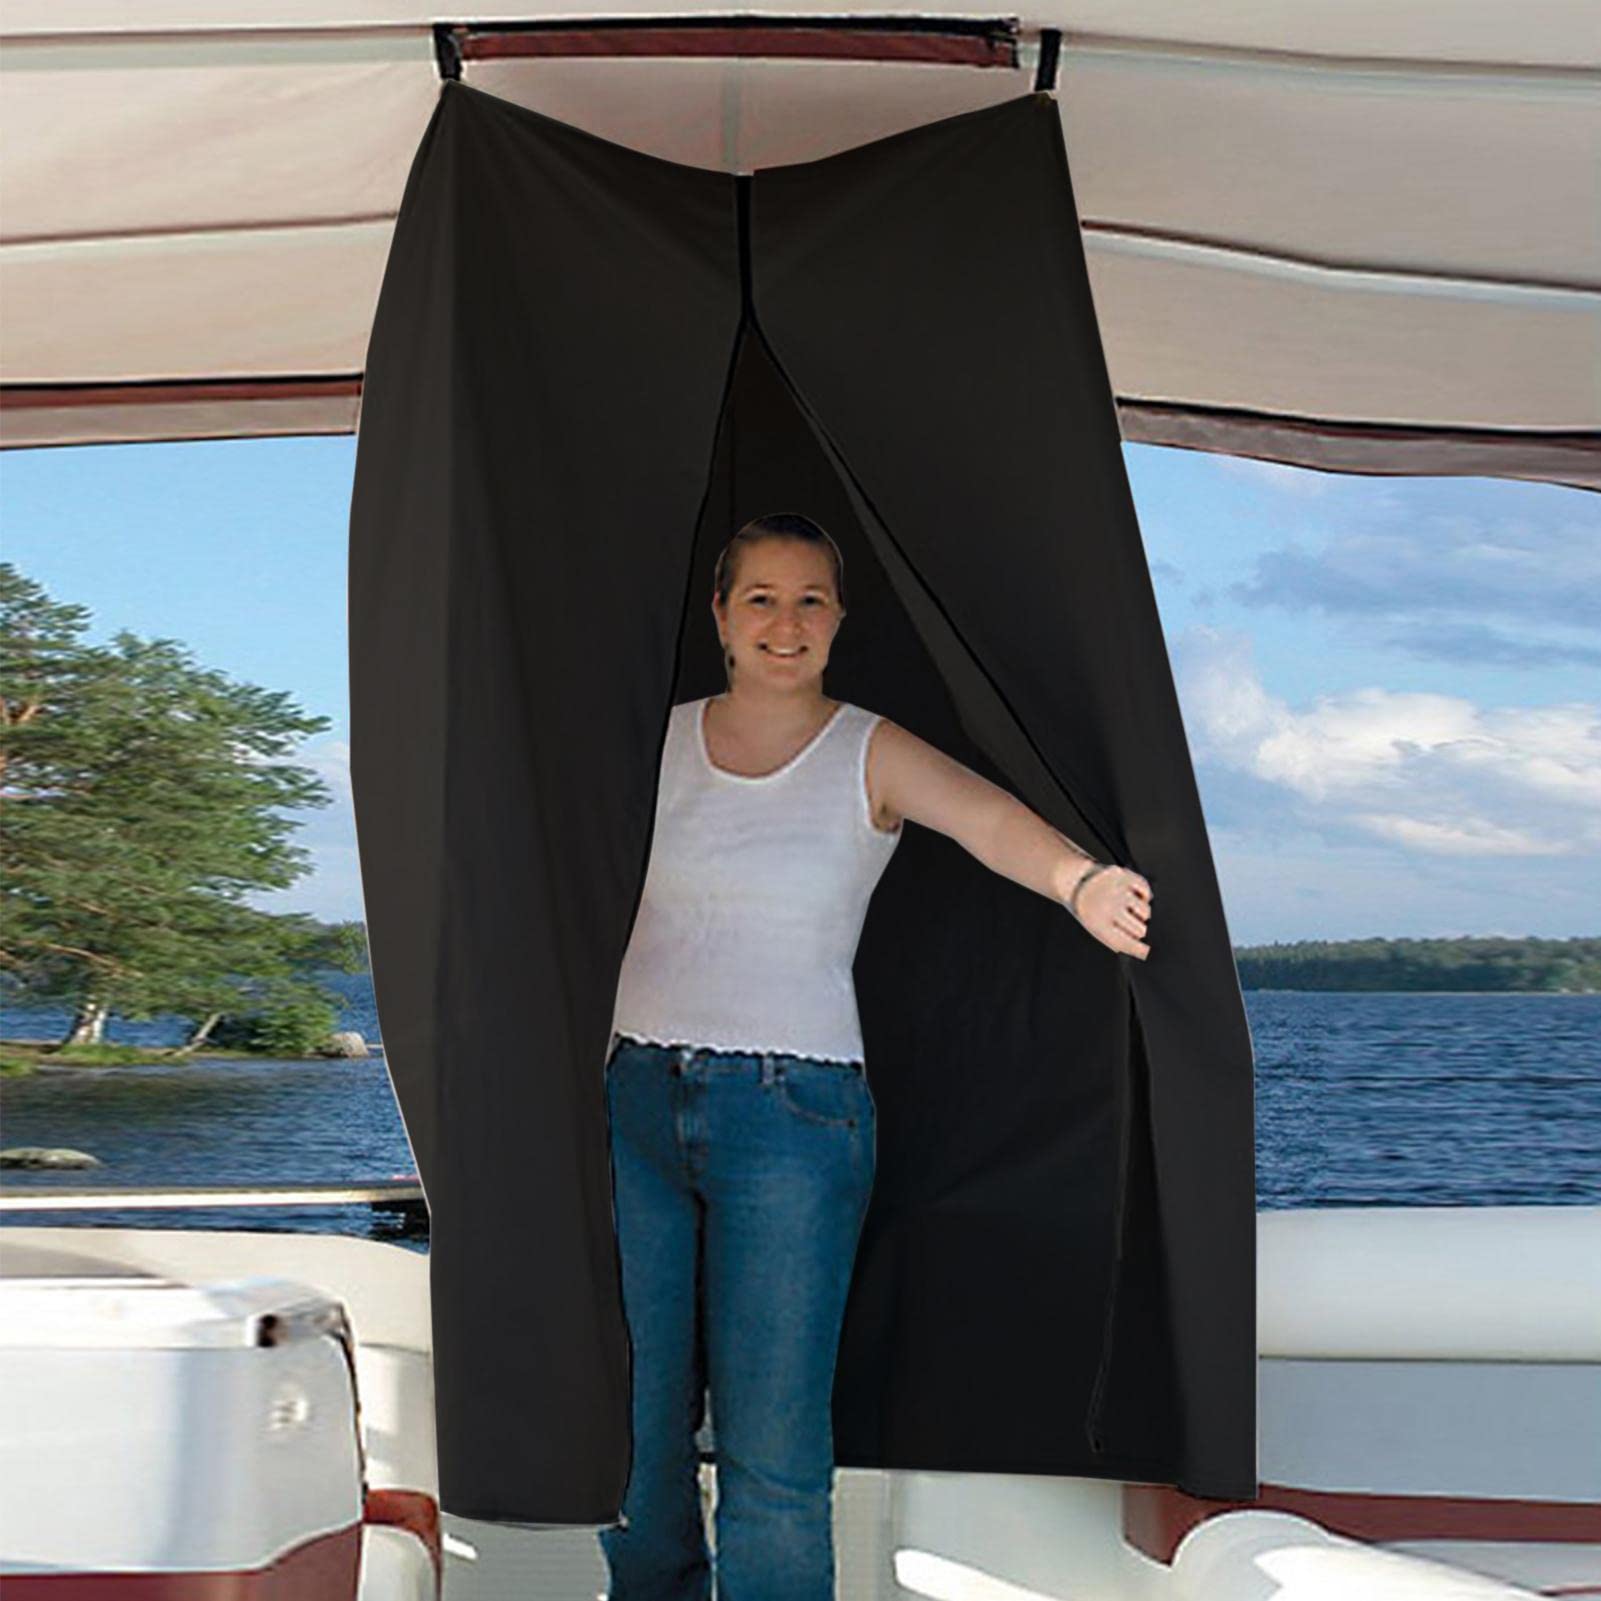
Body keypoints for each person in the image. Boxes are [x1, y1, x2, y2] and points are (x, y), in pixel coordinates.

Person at [599, 512, 1152, 1599]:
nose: (786, 621)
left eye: (810, 598)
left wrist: (1079, 881)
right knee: (630, 1426)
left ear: (839, 618)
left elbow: (987, 819)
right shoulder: (649, 741)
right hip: (634, 1106)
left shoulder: (869, 749)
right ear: (720, 615)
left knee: (771, 1443)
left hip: (792, 1120)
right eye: (761, 597)